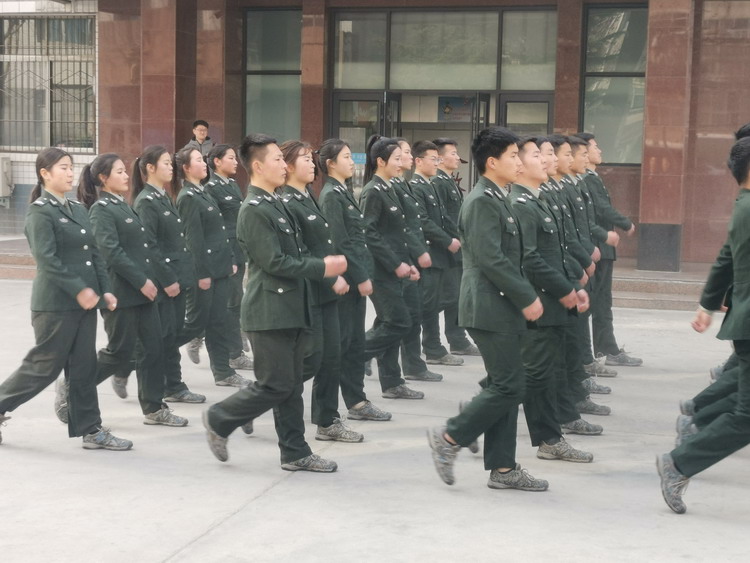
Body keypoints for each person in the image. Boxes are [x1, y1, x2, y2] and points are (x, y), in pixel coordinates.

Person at [202, 133, 347, 471]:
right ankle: (220, 417)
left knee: (290, 386)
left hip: (291, 308)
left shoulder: (276, 203)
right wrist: (323, 268)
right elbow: (275, 262)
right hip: (269, 312)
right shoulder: (253, 210)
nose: (284, 164)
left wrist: (324, 271)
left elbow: (298, 252)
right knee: (277, 385)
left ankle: (295, 452)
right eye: (278, 159)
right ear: (257, 166)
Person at [427, 127, 548, 490]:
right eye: (513, 156)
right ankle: (450, 437)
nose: (519, 161)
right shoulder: (481, 200)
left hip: (500, 306)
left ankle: (503, 469)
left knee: (504, 385)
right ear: (492, 162)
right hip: (488, 307)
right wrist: (527, 297)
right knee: (511, 386)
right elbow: (491, 259)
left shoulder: (498, 197)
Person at [0, 148, 131, 450]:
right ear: (44, 173)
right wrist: (79, 289)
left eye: (71, 167)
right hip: (55, 306)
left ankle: (91, 430)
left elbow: (94, 254)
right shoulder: (40, 212)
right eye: (63, 167)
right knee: (43, 367)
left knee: (84, 368)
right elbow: (47, 260)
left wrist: (105, 290)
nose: (70, 173)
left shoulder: (78, 209)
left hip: (84, 305)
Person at [658, 136, 750, 514]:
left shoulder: (742, 205)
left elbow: (726, 258)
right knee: (747, 417)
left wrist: (708, 304)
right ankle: (679, 462)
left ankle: (693, 428)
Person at [77, 153, 188, 426]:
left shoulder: (124, 206)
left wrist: (150, 280)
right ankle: (73, 387)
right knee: (119, 353)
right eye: (119, 172)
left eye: (125, 171)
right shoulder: (101, 210)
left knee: (153, 349)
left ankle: (154, 408)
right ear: (103, 178)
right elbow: (111, 252)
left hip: (144, 293)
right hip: (122, 294)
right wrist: (142, 281)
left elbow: (143, 248)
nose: (126, 176)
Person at [511, 138, 601, 452]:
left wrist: (573, 286)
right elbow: (530, 259)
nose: (545, 160)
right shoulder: (520, 204)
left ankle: (557, 430)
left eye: (547, 153)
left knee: (548, 369)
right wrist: (566, 289)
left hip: (554, 296)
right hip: (539, 300)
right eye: (539, 154)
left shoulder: (539, 199)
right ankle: (471, 421)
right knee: (534, 374)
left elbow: (558, 251)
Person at [278, 139, 362, 442]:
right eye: (304, 159)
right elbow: (301, 252)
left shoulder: (308, 195)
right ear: (288, 166)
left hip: (325, 293)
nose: (311, 163)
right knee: (311, 360)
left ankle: (327, 420)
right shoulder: (287, 202)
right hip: (308, 293)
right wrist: (330, 277)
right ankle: (264, 396)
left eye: (311, 158)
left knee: (331, 358)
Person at [317, 138, 392, 422]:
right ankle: (354, 402)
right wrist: (360, 277)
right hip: (347, 281)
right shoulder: (331, 195)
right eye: (346, 157)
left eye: (351, 156)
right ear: (330, 164)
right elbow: (341, 242)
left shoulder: (343, 191)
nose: (352, 162)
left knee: (354, 343)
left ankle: (357, 400)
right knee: (346, 344)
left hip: (354, 277)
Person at [131, 146, 205, 405]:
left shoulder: (163, 197)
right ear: (150, 168)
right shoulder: (146, 201)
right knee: (162, 338)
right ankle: (166, 386)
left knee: (172, 336)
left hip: (178, 278)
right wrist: (168, 280)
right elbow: (149, 246)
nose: (170, 167)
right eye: (165, 163)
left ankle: (174, 385)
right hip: (165, 282)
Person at [174, 147, 248, 388]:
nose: (204, 163)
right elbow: (193, 240)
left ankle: (224, 372)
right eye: (198, 160)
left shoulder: (200, 192)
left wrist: (229, 260)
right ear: (186, 168)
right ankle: (141, 356)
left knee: (219, 321)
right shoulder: (188, 197)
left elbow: (219, 232)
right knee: (194, 324)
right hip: (205, 272)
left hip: (220, 267)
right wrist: (202, 273)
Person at [360, 135, 424, 400]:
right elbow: (369, 233)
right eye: (396, 159)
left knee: (389, 322)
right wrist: (395, 263)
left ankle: (392, 382)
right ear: (381, 161)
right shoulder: (373, 191)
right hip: (381, 271)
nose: (401, 163)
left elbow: (397, 233)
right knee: (399, 322)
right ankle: (355, 355)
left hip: (395, 268)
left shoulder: (389, 188)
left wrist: (408, 263)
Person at [575, 132, 640, 368]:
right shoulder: (587, 180)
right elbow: (600, 209)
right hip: (597, 246)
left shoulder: (591, 178)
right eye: (593, 147)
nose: (599, 151)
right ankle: (602, 351)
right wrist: (624, 223)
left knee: (601, 300)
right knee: (597, 301)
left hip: (601, 246)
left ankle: (605, 348)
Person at [197, 144, 254, 371]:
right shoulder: (211, 189)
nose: (236, 162)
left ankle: (226, 342)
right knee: (231, 302)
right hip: (225, 253)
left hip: (238, 249)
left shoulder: (232, 184)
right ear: (217, 161)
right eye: (231, 158)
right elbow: (215, 226)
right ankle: (233, 353)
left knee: (236, 300)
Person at [391, 138, 442, 382]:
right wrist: (418, 252)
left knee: (412, 314)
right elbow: (401, 228)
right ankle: (367, 353)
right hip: (403, 259)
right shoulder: (391, 187)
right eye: (405, 152)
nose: (410, 157)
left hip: (413, 257)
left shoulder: (404, 184)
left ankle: (412, 365)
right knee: (402, 318)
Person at [409, 140, 463, 372]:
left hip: (439, 254)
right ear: (419, 161)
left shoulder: (429, 185)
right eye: (434, 159)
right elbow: (423, 220)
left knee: (433, 303)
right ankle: (431, 348)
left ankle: (433, 348)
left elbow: (443, 218)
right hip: (429, 252)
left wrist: (459, 235)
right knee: (427, 306)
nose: (437, 163)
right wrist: (447, 240)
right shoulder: (417, 186)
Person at [430, 137, 479, 360]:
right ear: (439, 158)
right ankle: (437, 342)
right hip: (447, 247)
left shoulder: (447, 180)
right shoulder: (438, 182)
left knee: (455, 296)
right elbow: (443, 217)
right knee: (445, 298)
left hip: (456, 246)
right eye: (453, 153)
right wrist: (458, 236)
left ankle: (458, 339)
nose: (458, 158)